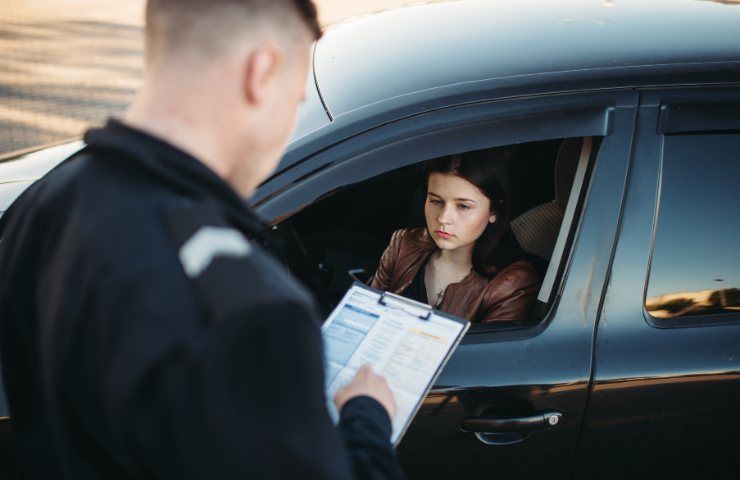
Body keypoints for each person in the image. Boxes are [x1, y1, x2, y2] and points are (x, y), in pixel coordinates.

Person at [0, 1, 404, 479]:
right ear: (262, 71)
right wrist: (366, 418)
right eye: (296, 102)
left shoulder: (41, 205)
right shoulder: (255, 312)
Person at [370, 152, 539, 323]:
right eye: (436, 201)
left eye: (463, 206)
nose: (443, 218)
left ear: (494, 212)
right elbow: (364, 315)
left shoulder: (511, 284)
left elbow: (487, 350)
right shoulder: (404, 244)